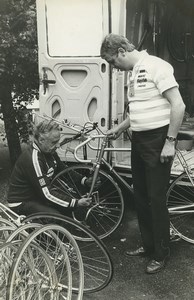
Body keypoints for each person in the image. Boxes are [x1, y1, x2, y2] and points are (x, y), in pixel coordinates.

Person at [100, 33, 185, 274]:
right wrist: (119, 128)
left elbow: (178, 105)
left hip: (158, 140)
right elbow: (138, 110)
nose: (115, 67)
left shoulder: (157, 66)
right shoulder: (135, 72)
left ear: (120, 52)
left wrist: (170, 142)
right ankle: (148, 246)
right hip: (139, 140)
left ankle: (161, 253)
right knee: (141, 197)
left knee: (156, 199)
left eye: (113, 62)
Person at [7, 119, 92, 216]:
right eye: (54, 142)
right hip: (22, 203)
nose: (58, 145)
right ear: (41, 140)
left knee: (68, 205)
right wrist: (76, 203)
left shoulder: (49, 151)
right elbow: (47, 194)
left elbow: (64, 171)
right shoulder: (33, 159)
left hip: (36, 196)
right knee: (56, 217)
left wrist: (84, 180)